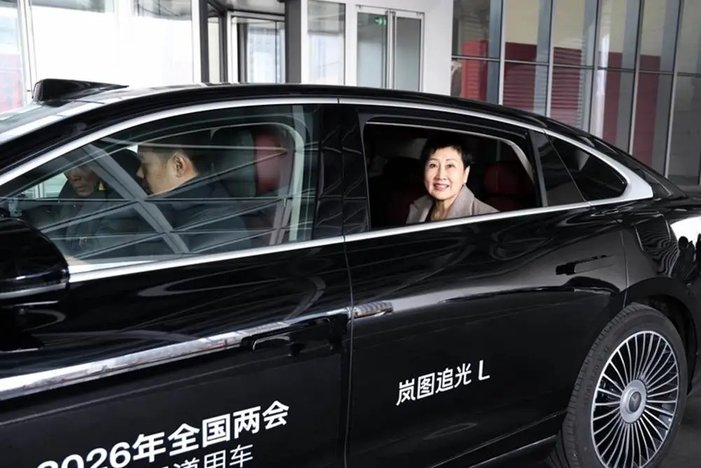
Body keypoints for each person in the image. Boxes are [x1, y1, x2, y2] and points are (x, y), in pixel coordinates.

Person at [136, 132, 250, 252]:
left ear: (178, 166)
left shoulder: (215, 232)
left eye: (145, 164)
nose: (139, 173)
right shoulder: (185, 207)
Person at [406, 136, 497, 224]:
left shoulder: (488, 219)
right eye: (433, 165)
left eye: (450, 166)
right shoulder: (417, 208)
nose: (440, 176)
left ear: (465, 173)